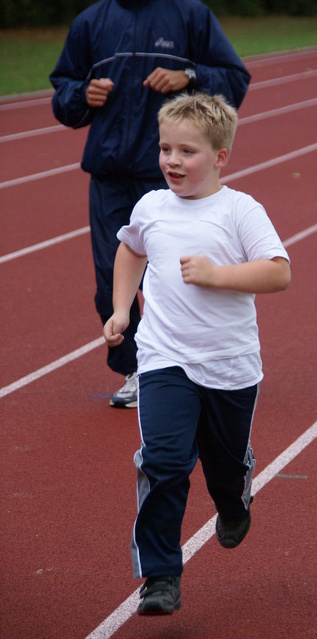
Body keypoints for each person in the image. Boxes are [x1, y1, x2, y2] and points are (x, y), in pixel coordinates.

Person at [103, 92, 291, 615]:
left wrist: (216, 275)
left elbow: (279, 271)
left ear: (220, 156)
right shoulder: (151, 207)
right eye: (165, 149)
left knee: (223, 467)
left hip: (230, 366)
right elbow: (130, 249)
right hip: (164, 358)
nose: (172, 161)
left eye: (187, 151)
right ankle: (159, 574)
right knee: (164, 462)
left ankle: (233, 498)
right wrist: (123, 310)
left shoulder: (239, 210)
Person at [49, 0, 251, 408]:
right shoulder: (91, 21)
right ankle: (136, 369)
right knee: (112, 278)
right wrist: (81, 94)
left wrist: (188, 76)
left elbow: (234, 81)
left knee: (173, 277)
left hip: (169, 172)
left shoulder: (190, 14)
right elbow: (64, 93)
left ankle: (193, 367)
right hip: (108, 174)